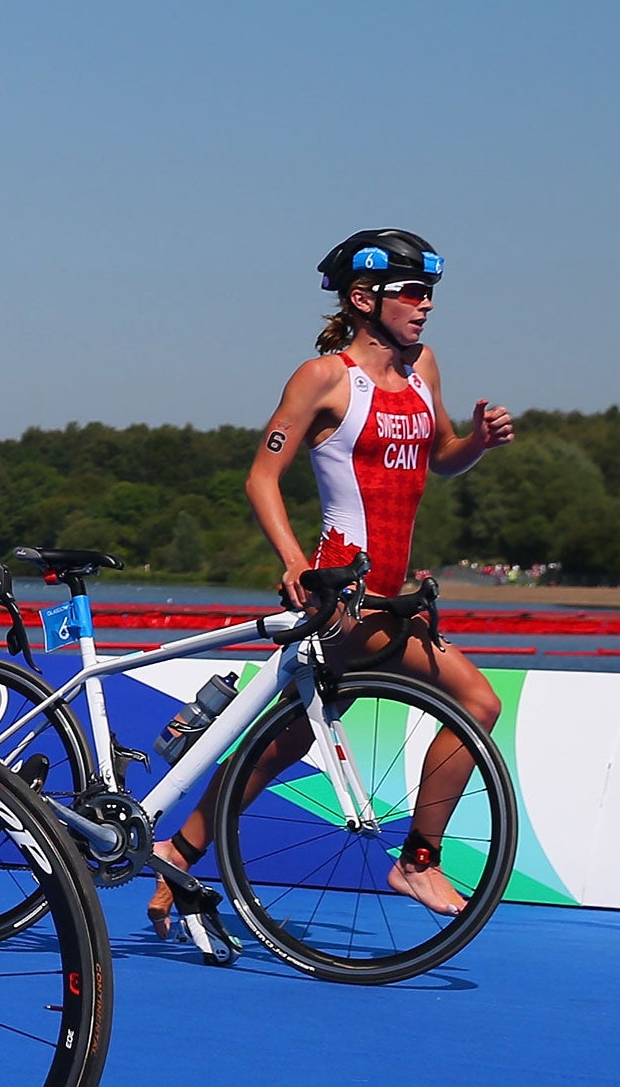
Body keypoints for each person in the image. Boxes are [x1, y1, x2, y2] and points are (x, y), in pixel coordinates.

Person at [152, 228, 514, 932]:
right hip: (345, 600)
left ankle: (179, 848)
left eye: (429, 292)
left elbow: (439, 458)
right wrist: (294, 560)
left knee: (288, 740)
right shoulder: (323, 379)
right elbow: (262, 477)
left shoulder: (423, 368)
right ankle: (415, 861)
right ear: (361, 299)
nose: (425, 306)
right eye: (411, 293)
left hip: (395, 599)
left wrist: (478, 444)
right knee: (465, 703)